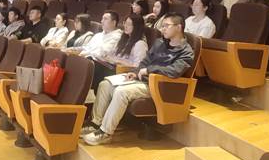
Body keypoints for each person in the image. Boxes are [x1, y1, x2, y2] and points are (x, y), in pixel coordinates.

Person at [81, 13, 194, 146]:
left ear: (179, 27)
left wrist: (149, 70)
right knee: (105, 84)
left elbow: (174, 71)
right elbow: (145, 61)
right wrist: (135, 73)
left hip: (158, 86)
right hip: (142, 80)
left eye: (166, 26)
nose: (162, 29)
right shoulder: (159, 43)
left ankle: (105, 133)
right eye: (162, 26)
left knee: (121, 92)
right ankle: (95, 123)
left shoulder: (186, 52)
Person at [88, 15, 149, 91]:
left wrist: (119, 61)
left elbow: (138, 66)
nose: (125, 26)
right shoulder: (124, 40)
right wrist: (107, 57)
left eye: (129, 24)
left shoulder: (140, 44)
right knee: (90, 61)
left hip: (122, 71)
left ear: (137, 27)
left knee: (94, 69)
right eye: (125, 23)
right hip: (112, 66)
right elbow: (113, 55)